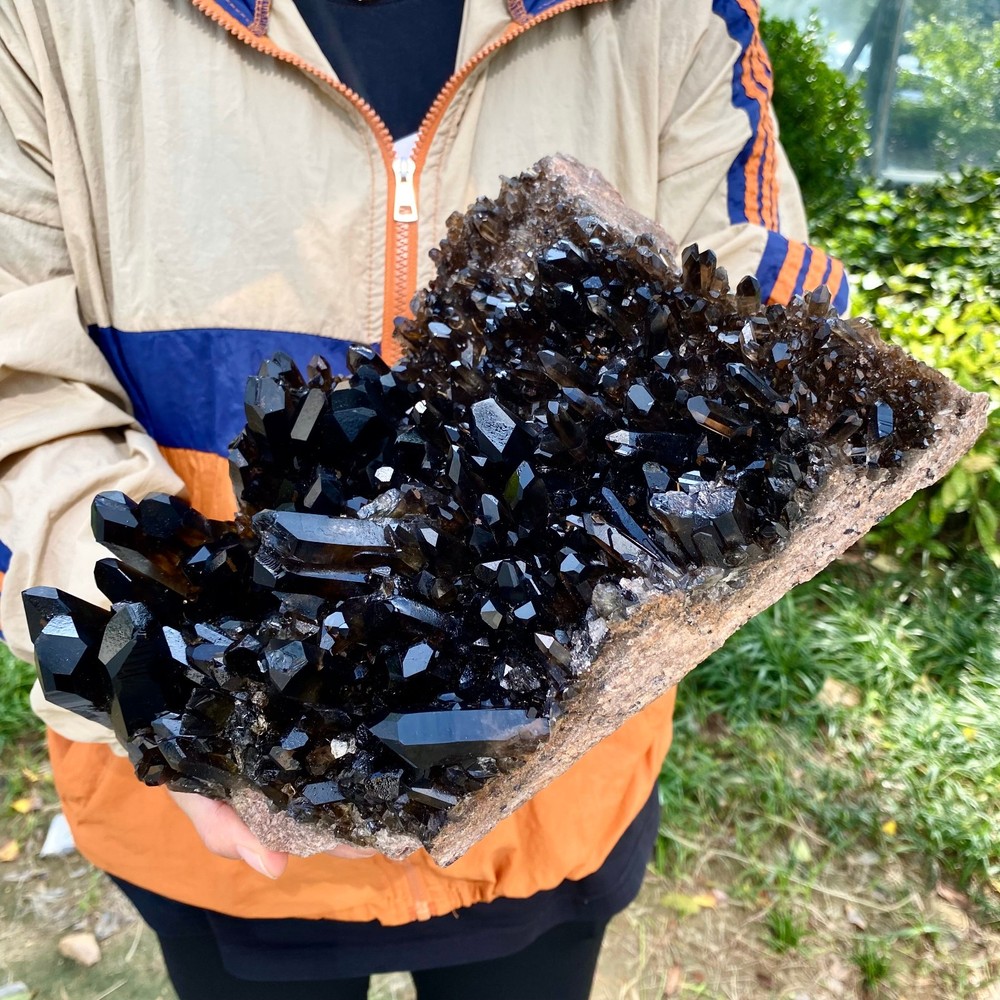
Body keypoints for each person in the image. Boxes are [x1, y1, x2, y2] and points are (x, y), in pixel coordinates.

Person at [0, 1, 848, 997]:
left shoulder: (672, 15)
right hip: (221, 836)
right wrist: (169, 670)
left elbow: (762, 321)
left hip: (552, 809)